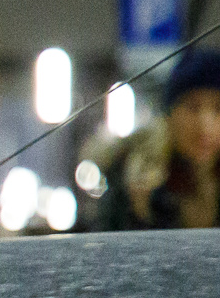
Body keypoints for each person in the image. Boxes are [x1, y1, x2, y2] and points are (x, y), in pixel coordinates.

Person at [92, 48, 220, 230]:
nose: (205, 125)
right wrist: (139, 214)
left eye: (218, 109)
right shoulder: (133, 179)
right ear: (169, 114)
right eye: (193, 107)